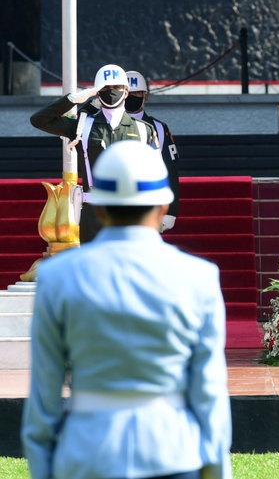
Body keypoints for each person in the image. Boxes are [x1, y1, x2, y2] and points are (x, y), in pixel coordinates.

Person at [21, 140, 232, 479]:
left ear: (99, 209)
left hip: (87, 455)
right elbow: (208, 393)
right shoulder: (198, 277)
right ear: (163, 207)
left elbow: (44, 395)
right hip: (172, 454)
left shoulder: (58, 277)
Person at [30, 63, 158, 243]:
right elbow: (39, 120)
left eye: (117, 87)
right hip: (94, 212)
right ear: (98, 93)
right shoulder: (84, 127)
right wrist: (74, 99)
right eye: (106, 88)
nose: (112, 91)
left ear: (126, 92)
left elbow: (155, 176)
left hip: (131, 212)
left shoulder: (144, 130)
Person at [126, 70, 181, 232]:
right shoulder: (106, 125)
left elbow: (171, 169)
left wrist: (171, 210)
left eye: (137, 93)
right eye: (128, 93)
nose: (132, 97)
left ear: (146, 96)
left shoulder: (159, 128)